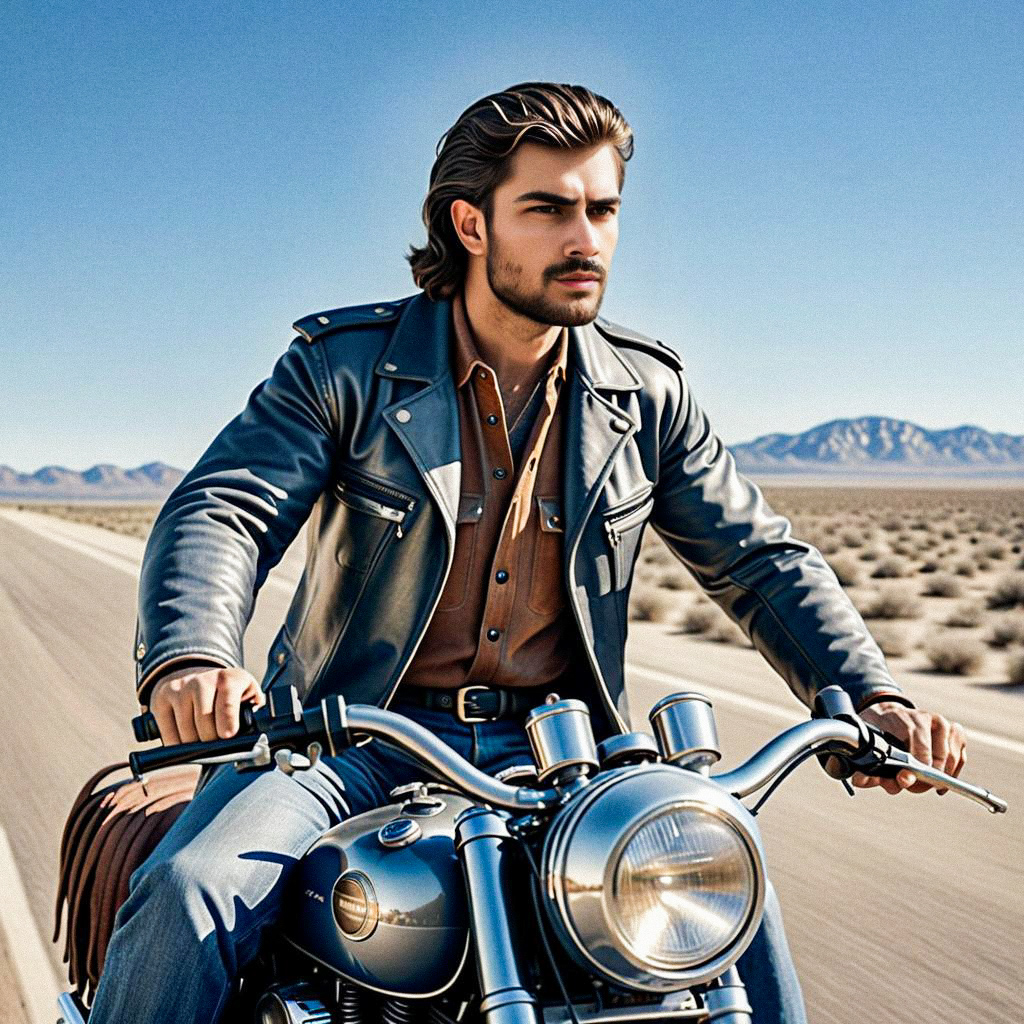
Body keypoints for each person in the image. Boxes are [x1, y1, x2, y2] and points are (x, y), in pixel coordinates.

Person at [89, 82, 967, 1024]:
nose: (583, 239)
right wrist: (190, 654)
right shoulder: (345, 366)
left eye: (601, 209)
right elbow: (225, 506)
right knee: (194, 890)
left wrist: (872, 693)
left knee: (727, 892)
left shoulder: (646, 395)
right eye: (547, 209)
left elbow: (757, 557)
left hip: (567, 751)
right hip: (347, 740)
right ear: (471, 224)